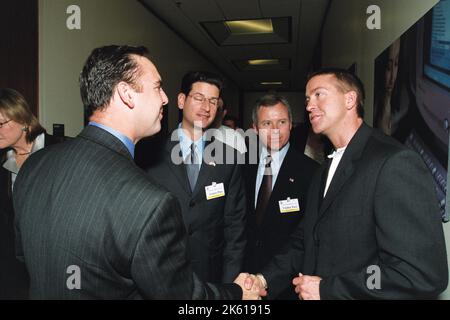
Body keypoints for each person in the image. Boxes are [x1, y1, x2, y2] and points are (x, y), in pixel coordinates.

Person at [13, 45, 263, 299]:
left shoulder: (33, 166)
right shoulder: (149, 200)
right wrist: (236, 293)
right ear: (126, 94)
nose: (164, 98)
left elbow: (25, 256)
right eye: (157, 87)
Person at [243, 68, 448, 299]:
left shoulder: (394, 162)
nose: (309, 106)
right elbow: (304, 241)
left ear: (350, 99)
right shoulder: (324, 170)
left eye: (319, 95)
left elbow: (420, 273)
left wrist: (328, 289)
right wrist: (262, 279)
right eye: (308, 99)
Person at [146, 71, 247, 284]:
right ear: (181, 101)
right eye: (199, 98)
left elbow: (234, 227)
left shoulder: (229, 158)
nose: (206, 107)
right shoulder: (149, 152)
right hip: (157, 272)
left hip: (210, 276)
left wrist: (229, 286)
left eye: (213, 101)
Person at [243, 94, 318, 299]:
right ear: (255, 128)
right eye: (267, 123)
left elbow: (307, 236)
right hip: (244, 280)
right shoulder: (242, 167)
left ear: (291, 125)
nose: (275, 130)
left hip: (287, 284)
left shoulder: (311, 173)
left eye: (281, 122)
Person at [0, 88, 64, 299]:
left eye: (1, 123)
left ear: (24, 119)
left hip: (61, 264)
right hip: (15, 274)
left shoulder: (63, 149)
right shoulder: (1, 162)